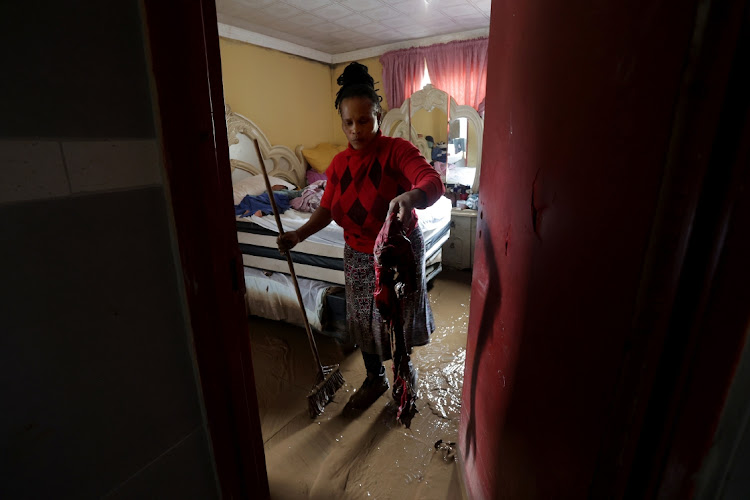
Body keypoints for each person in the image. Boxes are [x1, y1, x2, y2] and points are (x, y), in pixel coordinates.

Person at [278, 62, 445, 411]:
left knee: (399, 319)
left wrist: (409, 196)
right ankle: (375, 379)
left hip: (398, 253)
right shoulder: (338, 165)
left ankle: (403, 371)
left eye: (364, 120)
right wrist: (298, 234)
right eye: (348, 122)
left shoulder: (397, 151)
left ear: (378, 115)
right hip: (356, 254)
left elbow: (432, 183)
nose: (356, 130)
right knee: (362, 321)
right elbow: (327, 209)